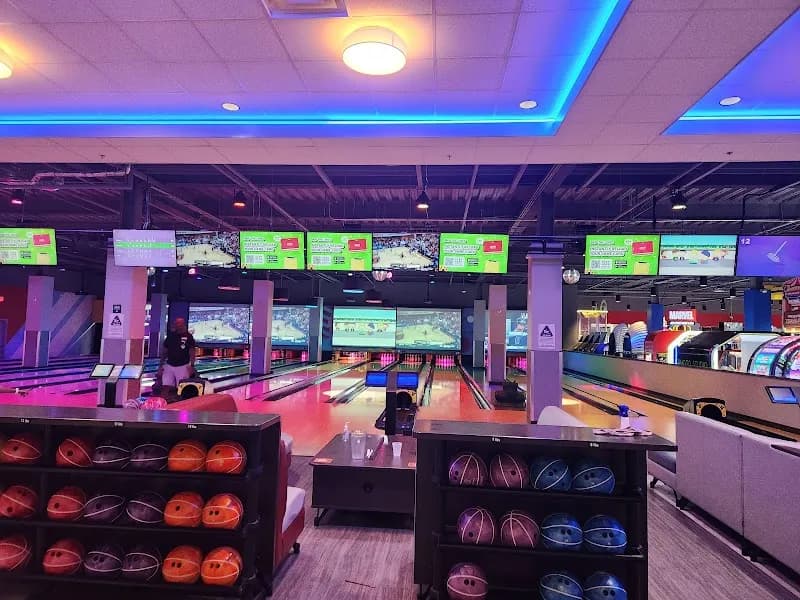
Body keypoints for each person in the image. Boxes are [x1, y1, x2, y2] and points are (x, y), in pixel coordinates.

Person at [158, 318, 196, 399]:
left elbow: (192, 351)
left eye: (180, 324)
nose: (178, 325)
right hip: (169, 364)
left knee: (182, 387)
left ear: (184, 325)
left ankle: (182, 405)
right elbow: (165, 351)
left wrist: (192, 365)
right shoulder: (171, 336)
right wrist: (160, 365)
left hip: (183, 365)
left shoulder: (189, 337)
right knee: (165, 386)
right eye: (177, 323)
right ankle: (162, 403)